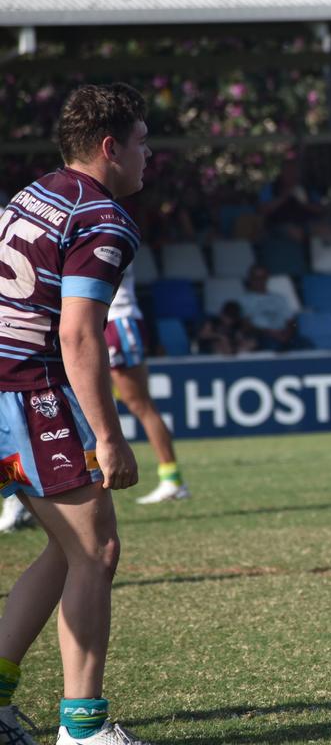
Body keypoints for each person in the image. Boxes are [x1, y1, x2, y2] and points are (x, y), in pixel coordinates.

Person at [0, 83, 152, 744]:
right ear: (111, 147)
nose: (151, 157)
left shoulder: (33, 193)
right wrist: (111, 439)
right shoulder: (102, 218)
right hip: (25, 391)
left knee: (69, 551)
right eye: (144, 143)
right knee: (98, 549)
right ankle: (84, 732)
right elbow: (80, 336)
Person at [105, 266, 190, 504]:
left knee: (140, 403)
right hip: (103, 321)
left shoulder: (109, 230)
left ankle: (172, 479)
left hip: (117, 320)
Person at [238, 264, 301, 351]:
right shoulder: (243, 300)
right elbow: (246, 326)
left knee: (306, 345)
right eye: (256, 278)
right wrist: (270, 333)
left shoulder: (280, 298)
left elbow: (292, 322)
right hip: (262, 337)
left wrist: (287, 335)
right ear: (250, 279)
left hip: (285, 335)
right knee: (273, 347)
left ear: (267, 278)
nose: (259, 281)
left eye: (262, 277)